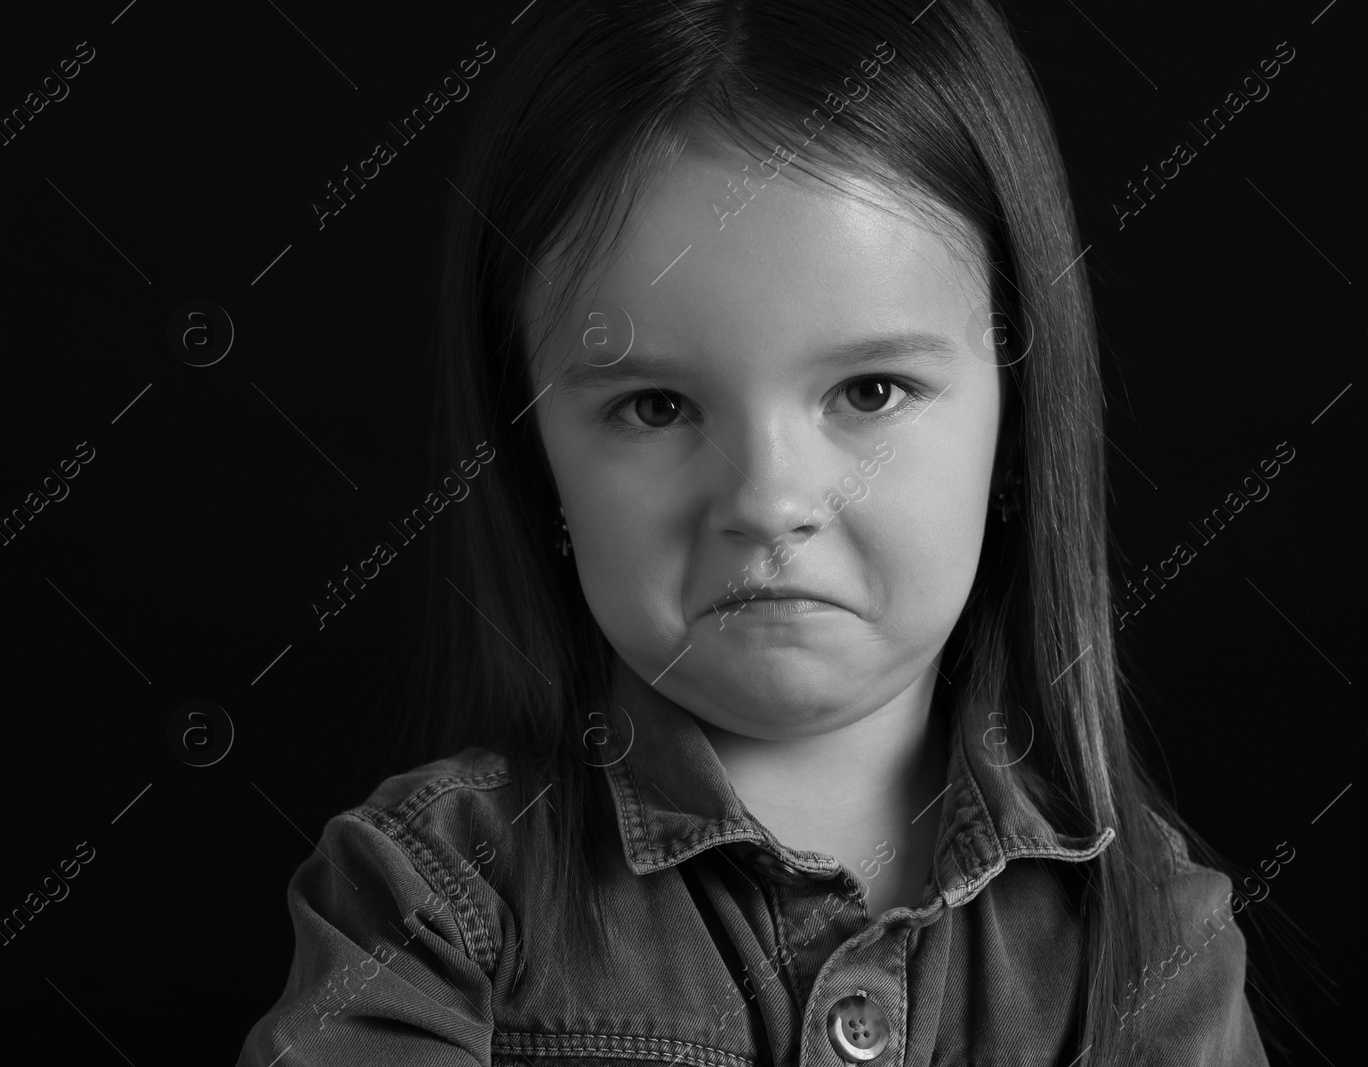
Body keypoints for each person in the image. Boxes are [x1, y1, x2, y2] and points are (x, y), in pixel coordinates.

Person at [239, 1, 1275, 1062]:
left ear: (1014, 430)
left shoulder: (1150, 938)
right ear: (536, 452)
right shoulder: (427, 903)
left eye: (870, 390)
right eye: (655, 406)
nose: (768, 498)